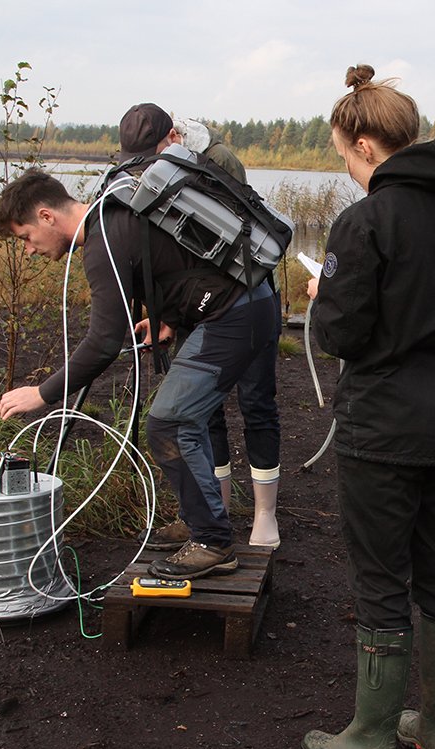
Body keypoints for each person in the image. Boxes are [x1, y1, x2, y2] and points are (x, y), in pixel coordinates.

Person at [0, 105, 278, 581]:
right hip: (245, 304)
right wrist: (164, 319)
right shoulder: (116, 210)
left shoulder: (103, 234)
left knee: (169, 420)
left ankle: (212, 542)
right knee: (181, 416)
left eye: (25, 237)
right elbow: (169, 260)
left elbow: (103, 342)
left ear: (46, 216)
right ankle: (202, 521)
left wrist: (41, 395)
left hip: (237, 316)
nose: (29, 251)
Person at [300, 65, 435, 749]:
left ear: (367, 146)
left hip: (385, 432)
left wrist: (328, 288)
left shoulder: (366, 218)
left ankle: (372, 737)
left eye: (343, 154)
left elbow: (344, 336)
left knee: (381, 579)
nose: (346, 167)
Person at [124, 108, 283, 551]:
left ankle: (265, 513)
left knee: (257, 404)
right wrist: (172, 319)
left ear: (173, 136)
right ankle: (217, 509)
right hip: (204, 311)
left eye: (151, 155)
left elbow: (232, 245)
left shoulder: (216, 162)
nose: (145, 167)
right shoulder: (158, 175)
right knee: (202, 413)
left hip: (248, 298)